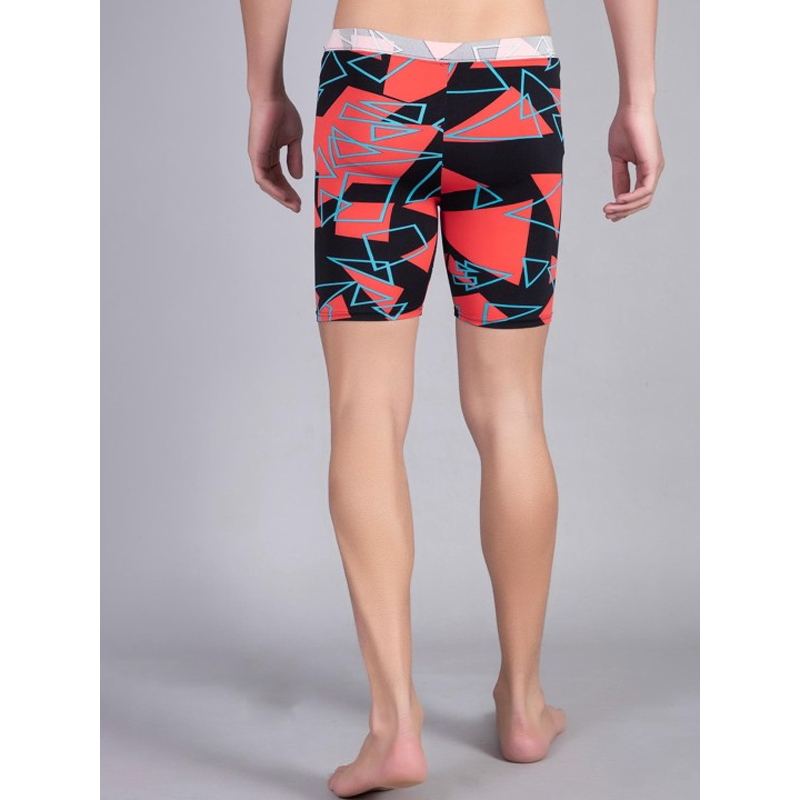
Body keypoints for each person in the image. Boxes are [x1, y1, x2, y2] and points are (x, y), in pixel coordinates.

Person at [240, 0, 664, 796]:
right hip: (514, 85)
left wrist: (264, 91)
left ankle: (393, 728)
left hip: (371, 87)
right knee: (512, 412)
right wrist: (637, 97)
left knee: (366, 409)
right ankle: (525, 707)